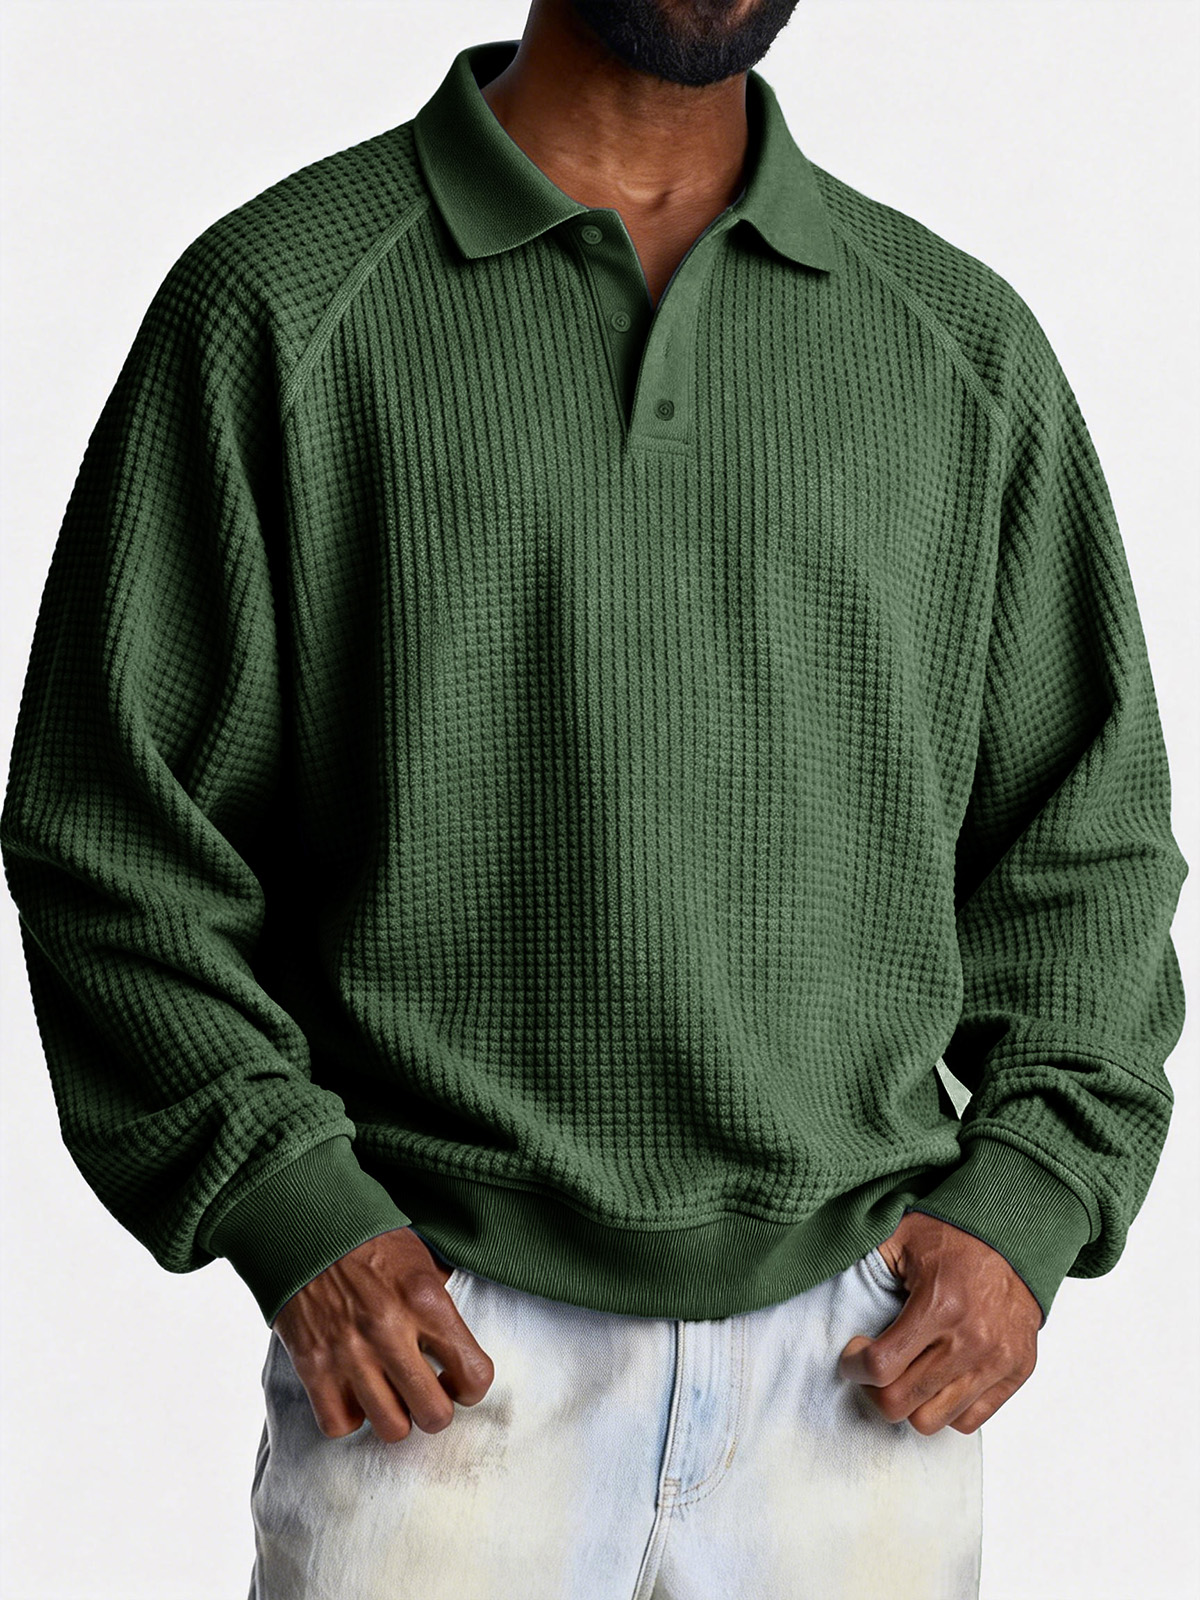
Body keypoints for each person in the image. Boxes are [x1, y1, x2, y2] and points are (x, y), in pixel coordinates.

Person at [1, 1, 1187, 1595]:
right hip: (437, 1367)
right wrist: (296, 1210)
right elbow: (110, 838)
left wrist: (1030, 1193)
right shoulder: (283, 302)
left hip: (862, 1372)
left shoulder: (957, 345)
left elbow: (1085, 844)